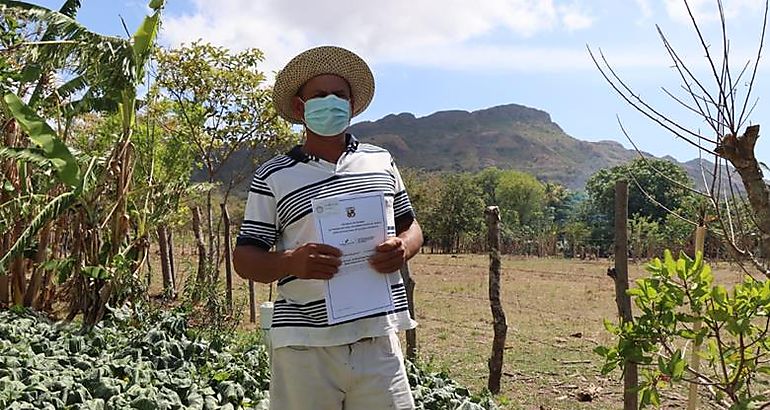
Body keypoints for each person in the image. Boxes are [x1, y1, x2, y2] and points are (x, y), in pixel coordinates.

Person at [233, 45, 423, 410]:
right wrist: (290, 262)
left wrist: (403, 248)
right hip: (305, 345)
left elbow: (411, 226)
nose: (331, 102)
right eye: (320, 95)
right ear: (301, 108)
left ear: (352, 105)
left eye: (340, 95)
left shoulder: (380, 161)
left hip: (377, 338)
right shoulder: (273, 175)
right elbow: (245, 258)